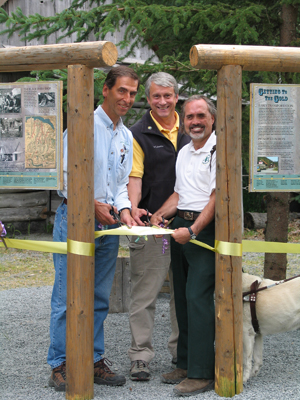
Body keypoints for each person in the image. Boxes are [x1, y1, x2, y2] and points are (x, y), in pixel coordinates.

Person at [48, 66, 139, 392]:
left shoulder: (125, 135)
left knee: (100, 296)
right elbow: (65, 179)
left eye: (132, 93)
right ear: (105, 89)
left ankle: (92, 358)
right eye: (122, 91)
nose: (127, 98)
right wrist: (91, 205)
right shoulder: (83, 125)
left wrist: (125, 210)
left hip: (107, 226)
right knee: (67, 296)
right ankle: (60, 363)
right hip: (74, 219)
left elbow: (118, 185)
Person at [151, 95, 217, 396]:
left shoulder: (219, 150)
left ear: (211, 118)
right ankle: (186, 363)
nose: (194, 121)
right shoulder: (185, 151)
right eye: (189, 116)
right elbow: (180, 194)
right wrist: (159, 214)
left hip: (204, 231)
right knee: (181, 298)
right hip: (181, 227)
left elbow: (217, 198)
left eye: (200, 115)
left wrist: (192, 230)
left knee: (198, 299)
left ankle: (202, 373)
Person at [127, 72, 190, 381]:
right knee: (145, 293)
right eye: (156, 96)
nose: (162, 101)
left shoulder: (193, 128)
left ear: (176, 96)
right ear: (148, 99)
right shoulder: (138, 132)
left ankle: (183, 354)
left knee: (185, 293)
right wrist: (135, 207)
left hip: (189, 223)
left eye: (168, 95)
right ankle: (140, 357)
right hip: (150, 223)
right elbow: (134, 175)